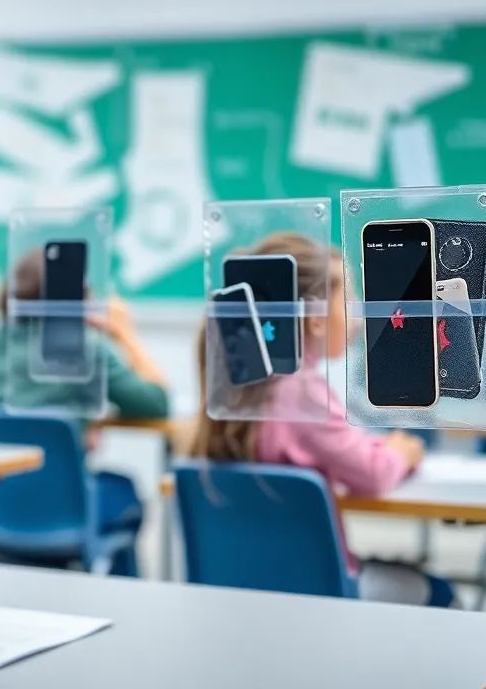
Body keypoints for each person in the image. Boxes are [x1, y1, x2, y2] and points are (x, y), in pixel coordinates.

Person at [191, 232, 454, 608]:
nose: (360, 311)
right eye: (349, 296)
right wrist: (402, 453)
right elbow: (372, 475)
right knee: (439, 591)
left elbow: (337, 450)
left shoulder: (234, 385)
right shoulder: (304, 393)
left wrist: (380, 448)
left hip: (242, 586)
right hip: (316, 589)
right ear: (314, 318)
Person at [0, 248, 170, 576]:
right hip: (66, 511)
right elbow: (156, 404)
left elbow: (26, 400)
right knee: (125, 496)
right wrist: (124, 333)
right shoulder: (87, 348)